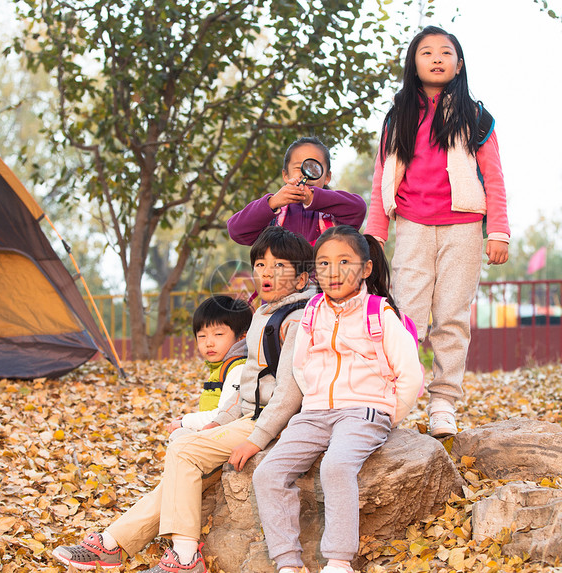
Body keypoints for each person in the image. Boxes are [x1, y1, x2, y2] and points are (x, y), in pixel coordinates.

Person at [50, 226, 315, 572]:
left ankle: (186, 556)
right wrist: (217, 424)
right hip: (247, 418)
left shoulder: (298, 319)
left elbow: (289, 393)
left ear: (301, 279)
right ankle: (113, 543)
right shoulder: (264, 314)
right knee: (182, 468)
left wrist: (256, 439)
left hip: (274, 425)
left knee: (183, 452)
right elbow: (248, 385)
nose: (266, 273)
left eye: (280, 266)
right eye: (261, 265)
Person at [366, 25, 510, 439]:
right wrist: (375, 233)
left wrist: (498, 231)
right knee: (404, 315)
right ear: (414, 63)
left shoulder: (476, 117)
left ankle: (443, 402)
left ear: (458, 64)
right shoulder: (398, 118)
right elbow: (382, 178)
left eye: (445, 52)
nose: (436, 58)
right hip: (411, 226)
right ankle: (395, 400)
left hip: (463, 228)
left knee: (451, 317)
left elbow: (494, 179)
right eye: (425, 52)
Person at [252, 225, 424, 573]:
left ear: (366, 269)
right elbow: (300, 364)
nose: (333, 272)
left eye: (345, 262)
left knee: (336, 466)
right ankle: (288, 562)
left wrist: (387, 414)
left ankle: (339, 559)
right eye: (325, 264)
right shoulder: (313, 311)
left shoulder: (380, 313)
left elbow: (411, 375)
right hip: (315, 413)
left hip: (363, 412)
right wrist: (314, 397)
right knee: (268, 472)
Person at [227, 136, 367, 246]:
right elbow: (236, 230)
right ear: (285, 176)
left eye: (314, 168)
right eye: (298, 167)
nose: (305, 173)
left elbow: (358, 208)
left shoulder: (334, 215)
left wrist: (313, 197)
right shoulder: (273, 218)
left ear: (327, 177)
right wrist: (272, 202)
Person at [167, 295, 253, 440]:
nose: (209, 343)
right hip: (216, 431)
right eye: (202, 336)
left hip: (230, 434)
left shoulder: (238, 368)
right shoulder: (221, 367)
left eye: (218, 334)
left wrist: (185, 422)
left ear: (241, 338)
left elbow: (223, 415)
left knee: (180, 436)